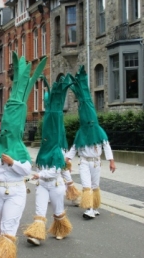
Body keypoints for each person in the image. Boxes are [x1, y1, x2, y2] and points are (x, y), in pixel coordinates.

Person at [0, 53, 47, 258]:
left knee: (8, 229)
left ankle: (4, 253)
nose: (6, 130)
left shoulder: (20, 149)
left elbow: (26, 170)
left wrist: (13, 161)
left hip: (14, 192)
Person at [24, 75, 72, 246]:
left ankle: (61, 229)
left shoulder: (57, 151)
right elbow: (39, 168)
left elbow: (55, 171)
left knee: (58, 211)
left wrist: (39, 175)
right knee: (39, 210)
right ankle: (36, 235)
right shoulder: (42, 151)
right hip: (43, 185)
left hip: (56, 186)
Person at [65, 66, 116, 219]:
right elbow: (74, 147)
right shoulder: (81, 132)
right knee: (86, 185)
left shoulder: (99, 131)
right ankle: (89, 209)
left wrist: (111, 161)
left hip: (96, 162)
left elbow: (106, 146)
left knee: (95, 185)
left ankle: (94, 206)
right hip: (85, 162)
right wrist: (67, 158)